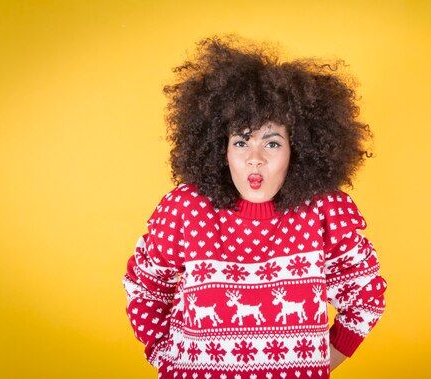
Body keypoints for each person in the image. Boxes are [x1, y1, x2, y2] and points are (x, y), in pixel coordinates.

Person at [123, 35, 387, 379]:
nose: (255, 159)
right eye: (241, 141)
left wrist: (318, 364)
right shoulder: (184, 209)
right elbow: (145, 289)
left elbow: (364, 299)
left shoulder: (323, 211)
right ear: (222, 149)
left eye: (272, 142)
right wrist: (169, 360)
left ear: (299, 149)